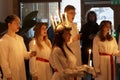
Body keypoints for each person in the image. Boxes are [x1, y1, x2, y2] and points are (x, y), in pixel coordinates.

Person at [0, 14, 36, 80]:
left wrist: (30, 54)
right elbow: (3, 61)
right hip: (11, 75)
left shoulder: (20, 39)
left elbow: (24, 54)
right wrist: (8, 75)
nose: (18, 25)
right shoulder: (3, 41)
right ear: (9, 24)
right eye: (16, 23)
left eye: (19, 23)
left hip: (21, 72)